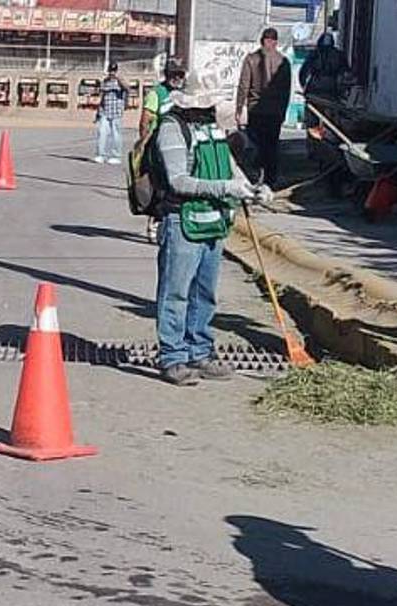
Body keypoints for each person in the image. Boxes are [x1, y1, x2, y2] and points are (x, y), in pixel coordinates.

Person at [153, 70, 272, 386]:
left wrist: (252, 189)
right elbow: (178, 181)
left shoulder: (213, 128)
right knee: (176, 292)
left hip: (214, 220)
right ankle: (173, 357)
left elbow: (230, 167)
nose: (210, 109)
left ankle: (200, 352)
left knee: (204, 293)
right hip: (182, 220)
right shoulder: (172, 129)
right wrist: (226, 189)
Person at [136, 57, 187, 242]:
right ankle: (155, 222)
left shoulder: (185, 94)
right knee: (159, 186)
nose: (177, 78)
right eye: (174, 74)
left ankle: (169, 223)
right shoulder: (157, 93)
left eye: (180, 74)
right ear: (167, 74)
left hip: (181, 145)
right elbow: (145, 120)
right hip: (159, 146)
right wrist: (143, 142)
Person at [236, 28, 292, 187]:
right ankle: (270, 180)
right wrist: (283, 112)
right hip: (275, 111)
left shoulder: (250, 59)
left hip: (256, 110)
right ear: (276, 42)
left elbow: (243, 86)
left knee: (257, 144)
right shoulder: (283, 62)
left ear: (262, 41)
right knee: (272, 146)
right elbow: (286, 91)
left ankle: (256, 177)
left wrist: (239, 109)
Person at [95, 63, 129, 165]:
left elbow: (127, 88)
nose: (112, 73)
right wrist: (98, 111)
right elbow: (102, 97)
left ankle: (116, 156)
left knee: (116, 134)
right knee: (102, 133)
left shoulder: (120, 81)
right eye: (110, 71)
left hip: (116, 111)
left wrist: (118, 79)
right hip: (105, 111)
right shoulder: (105, 81)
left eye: (113, 71)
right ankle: (101, 155)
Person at [299, 33, 350, 102]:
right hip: (327, 90)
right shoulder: (338, 55)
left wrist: (305, 86)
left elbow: (303, 73)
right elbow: (346, 73)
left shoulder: (314, 54)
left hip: (320, 90)